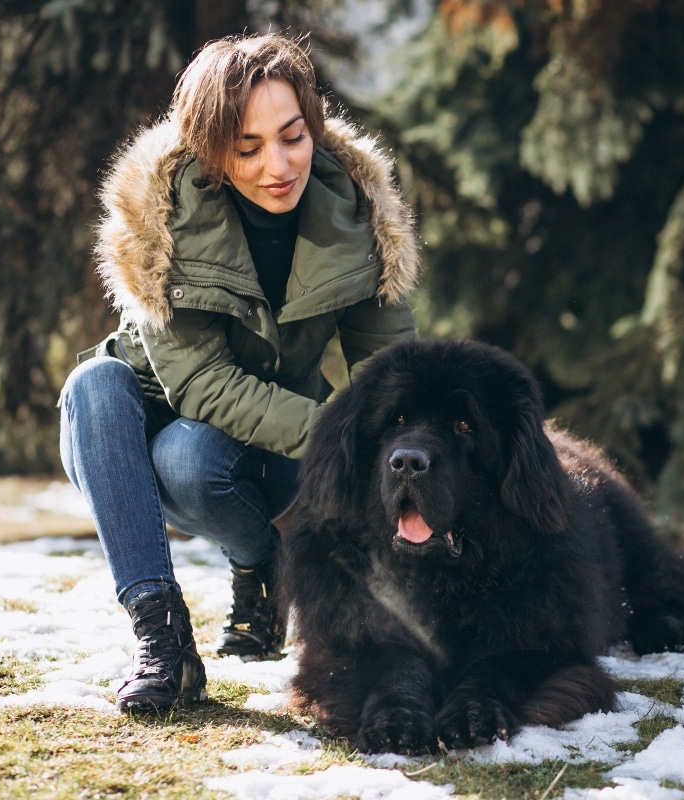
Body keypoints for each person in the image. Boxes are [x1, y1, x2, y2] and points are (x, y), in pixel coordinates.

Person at [58, 32, 420, 713]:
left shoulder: (359, 213)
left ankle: (259, 561)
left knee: (196, 455)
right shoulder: (161, 217)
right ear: (208, 150)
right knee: (92, 384)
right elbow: (201, 383)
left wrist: (388, 457)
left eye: (292, 137)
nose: (277, 165)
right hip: (124, 445)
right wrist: (340, 439)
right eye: (246, 148)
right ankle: (162, 641)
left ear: (313, 126)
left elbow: (388, 369)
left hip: (263, 456)